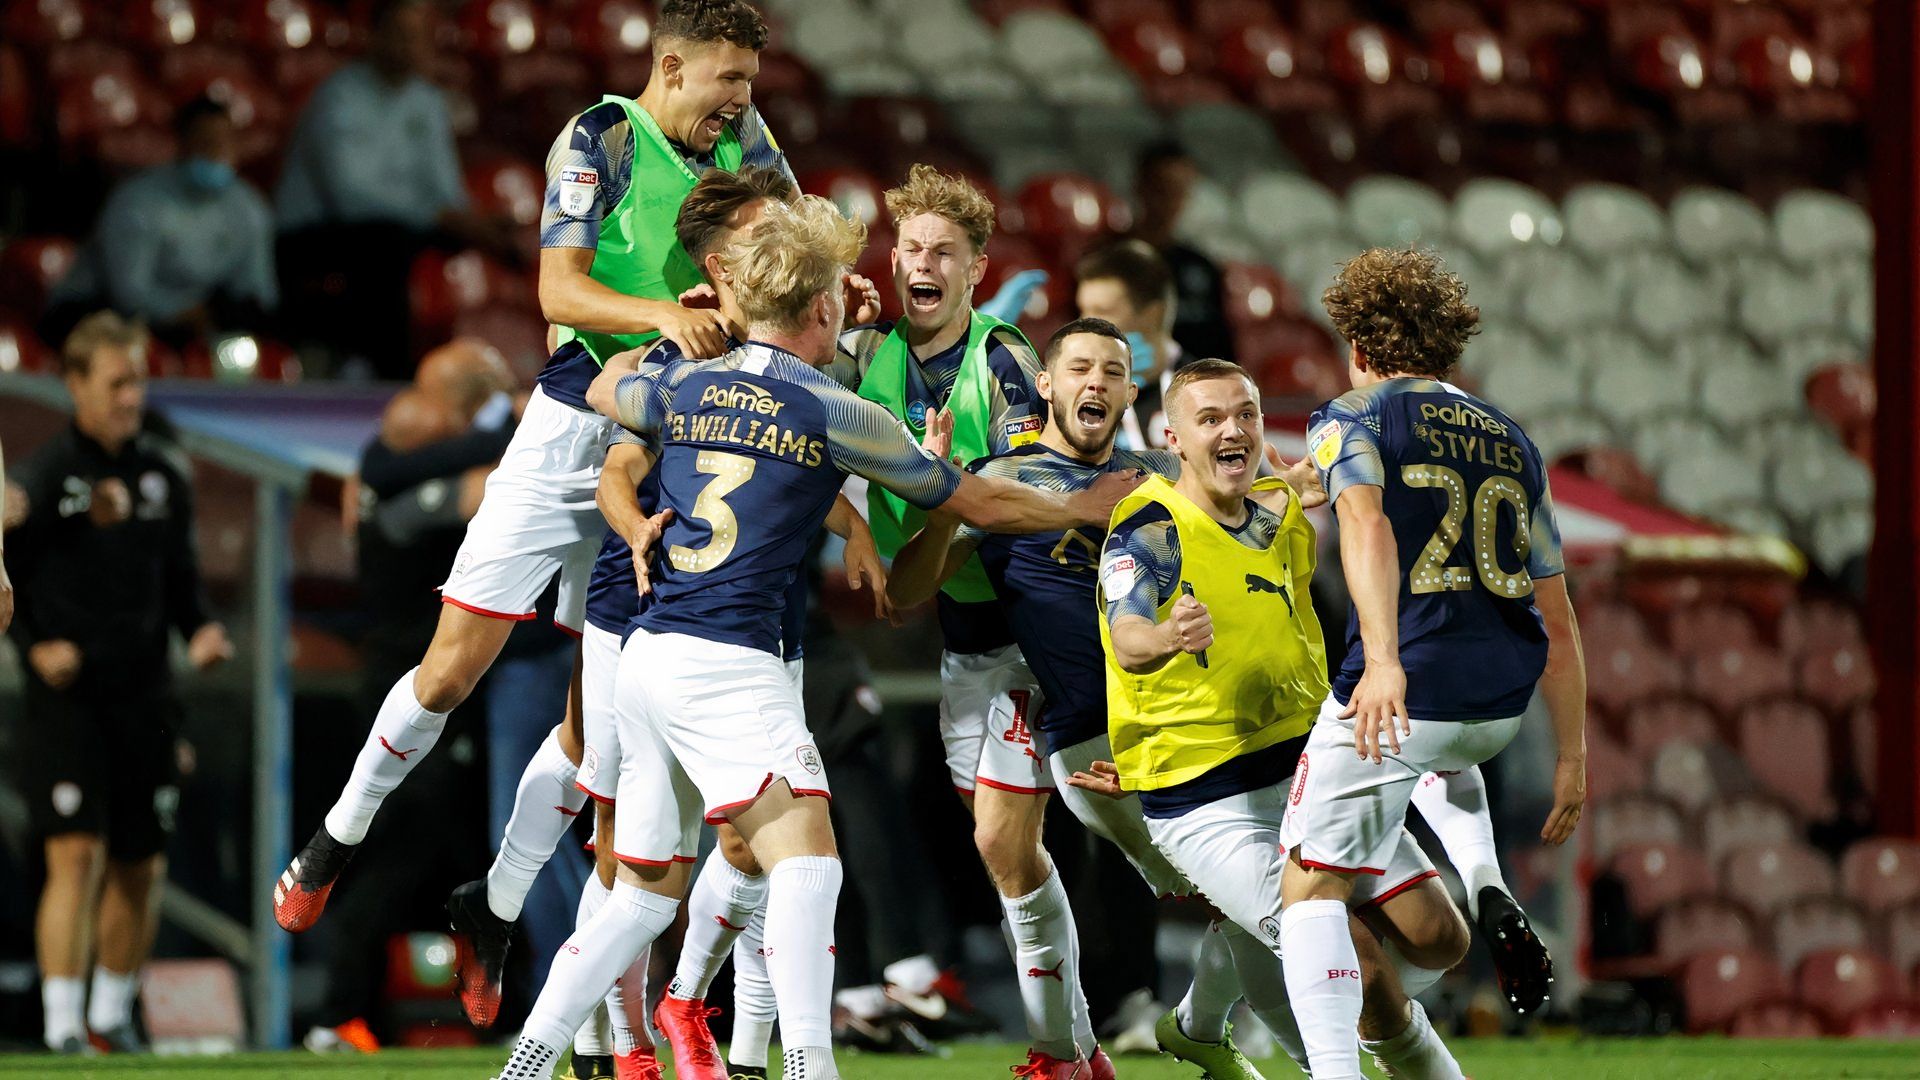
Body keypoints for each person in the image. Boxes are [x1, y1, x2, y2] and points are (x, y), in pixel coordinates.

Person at [492, 194, 1137, 1080]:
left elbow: (601, 385)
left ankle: (525, 1062)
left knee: (642, 900)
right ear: (823, 308)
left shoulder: (679, 382)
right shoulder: (834, 407)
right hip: (729, 660)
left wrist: (678, 335)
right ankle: (809, 1068)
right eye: (840, 293)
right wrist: (1077, 505)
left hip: (644, 657)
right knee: (809, 868)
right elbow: (977, 501)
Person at [272, 1, 791, 1037]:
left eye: (750, 82)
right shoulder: (596, 138)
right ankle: (336, 835)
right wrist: (666, 315)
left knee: (604, 738)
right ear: (671, 65)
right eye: (726, 80)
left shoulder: (748, 141)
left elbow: (793, 242)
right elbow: (559, 283)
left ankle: (519, 933)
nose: (741, 102)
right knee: (453, 668)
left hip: (665, 440)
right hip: (567, 425)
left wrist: (832, 291)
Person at [887, 322, 1327, 1079]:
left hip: (1182, 729)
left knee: (1262, 898)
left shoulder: (1161, 472)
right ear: (1047, 387)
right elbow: (904, 594)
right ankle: (1108, 1044)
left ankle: (1195, 1029)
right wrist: (941, 505)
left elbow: (1263, 492)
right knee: (1270, 902)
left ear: (1131, 393)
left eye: (1113, 371)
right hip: (1090, 736)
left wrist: (1298, 481)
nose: (1096, 382)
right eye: (1080, 368)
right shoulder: (995, 481)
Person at [574, 165, 883, 1080]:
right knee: (628, 855)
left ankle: (709, 1027)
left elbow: (784, 452)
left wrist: (850, 514)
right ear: (724, 263)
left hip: (753, 620)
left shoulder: (767, 369)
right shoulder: (690, 356)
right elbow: (624, 461)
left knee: (749, 849)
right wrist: (630, 521)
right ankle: (614, 1043)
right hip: (653, 608)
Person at [1277, 249, 1587, 1079]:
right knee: (1437, 755)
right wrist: (1572, 756)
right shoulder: (1513, 440)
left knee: (1307, 892)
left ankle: (1335, 1071)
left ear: (1360, 345)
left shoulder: (1352, 412)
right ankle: (1483, 873)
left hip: (1404, 690)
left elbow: (1369, 525)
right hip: (1496, 708)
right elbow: (1558, 615)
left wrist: (1381, 661)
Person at [831, 164, 1108, 1053]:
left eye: (942, 252)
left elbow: (1028, 488)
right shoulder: (867, 354)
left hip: (1029, 631)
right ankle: (1077, 1048)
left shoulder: (1003, 361)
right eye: (909, 247)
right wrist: (857, 528)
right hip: (962, 638)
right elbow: (799, 428)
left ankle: (1068, 1049)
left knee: (1012, 845)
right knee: (1009, 857)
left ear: (975, 268)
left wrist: (944, 508)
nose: (922, 263)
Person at [4, 312, 234, 1054]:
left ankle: (110, 1016)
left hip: (145, 694)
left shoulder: (164, 473)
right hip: (68, 697)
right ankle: (62, 1024)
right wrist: (35, 649)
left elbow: (183, 584)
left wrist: (199, 631)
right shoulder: (39, 479)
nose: (131, 397)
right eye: (115, 382)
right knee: (73, 853)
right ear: (74, 386)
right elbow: (12, 585)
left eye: (137, 380)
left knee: (141, 862)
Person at [274, 0, 519, 374]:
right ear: (374, 37)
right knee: (386, 245)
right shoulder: (339, 98)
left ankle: (482, 367)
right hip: (313, 237)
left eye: (419, 37)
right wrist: (442, 217)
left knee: (502, 243)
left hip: (401, 228)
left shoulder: (427, 101)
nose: (411, 47)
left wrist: (474, 223)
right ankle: (387, 374)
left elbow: (444, 188)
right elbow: (351, 200)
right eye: (401, 35)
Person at [45, 97, 276, 350]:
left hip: (193, 323)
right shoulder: (138, 202)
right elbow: (128, 294)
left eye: (225, 141)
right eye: (205, 140)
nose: (216, 150)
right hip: (99, 312)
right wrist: (187, 314)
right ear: (182, 144)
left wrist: (230, 316)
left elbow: (257, 292)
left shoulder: (249, 208)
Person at [1074, 239, 1186, 452]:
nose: (1086, 324)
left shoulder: (1205, 389)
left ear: (1153, 315)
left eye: (1102, 311)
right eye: (1082, 310)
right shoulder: (1076, 392)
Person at [1130, 143, 1234, 364]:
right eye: (1162, 189)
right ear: (1140, 187)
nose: (1170, 201)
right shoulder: (1106, 263)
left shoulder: (1202, 267)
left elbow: (1222, 348)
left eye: (1179, 190)